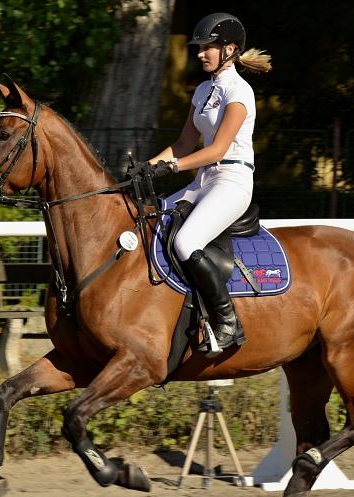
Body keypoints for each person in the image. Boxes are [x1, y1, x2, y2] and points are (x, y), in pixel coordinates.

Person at [135, 12, 271, 356]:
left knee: (186, 241)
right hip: (204, 180)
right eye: (199, 47)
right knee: (147, 221)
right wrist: (145, 168)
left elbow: (217, 149)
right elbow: (183, 144)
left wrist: (173, 167)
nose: (199, 53)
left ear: (229, 49)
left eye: (207, 47)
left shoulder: (240, 91)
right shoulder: (204, 90)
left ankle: (227, 324)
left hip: (232, 180)